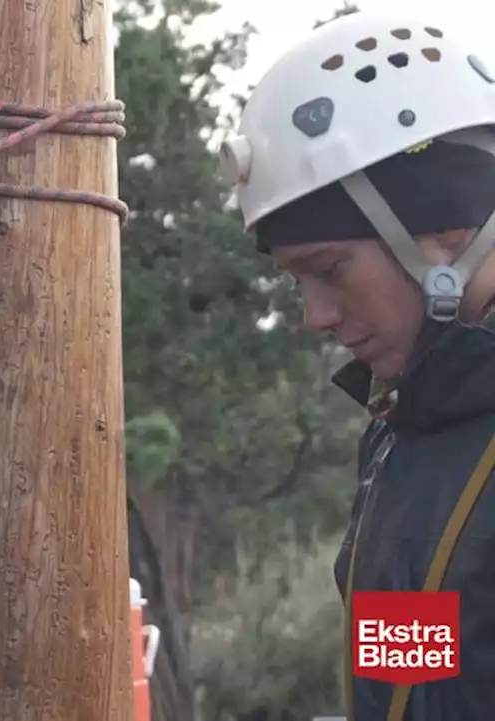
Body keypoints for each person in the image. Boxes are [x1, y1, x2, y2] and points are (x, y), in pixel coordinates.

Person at [218, 9, 495, 720]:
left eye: (331, 270)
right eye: (296, 283)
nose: (315, 316)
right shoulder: (408, 429)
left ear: (447, 229)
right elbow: (419, 677)